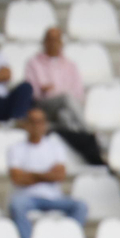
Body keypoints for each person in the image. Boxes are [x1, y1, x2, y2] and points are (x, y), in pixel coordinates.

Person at [7, 106, 89, 238]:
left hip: (53, 197)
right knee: (17, 205)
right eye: (33, 122)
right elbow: (17, 178)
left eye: (40, 122)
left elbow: (59, 175)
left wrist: (31, 175)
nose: (37, 126)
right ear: (26, 124)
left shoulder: (55, 146)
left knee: (80, 206)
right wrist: (46, 175)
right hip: (28, 197)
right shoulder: (16, 148)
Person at [24, 28, 103, 166]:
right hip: (43, 106)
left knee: (64, 115)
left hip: (66, 108)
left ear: (61, 42)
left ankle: (83, 154)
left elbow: (78, 93)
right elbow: (33, 92)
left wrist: (52, 90)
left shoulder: (70, 65)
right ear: (44, 42)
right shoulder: (33, 63)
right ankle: (91, 134)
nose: (53, 43)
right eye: (50, 39)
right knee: (65, 98)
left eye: (56, 39)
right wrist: (47, 92)